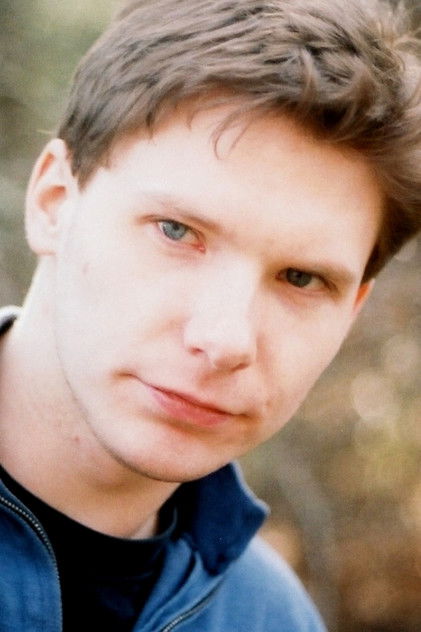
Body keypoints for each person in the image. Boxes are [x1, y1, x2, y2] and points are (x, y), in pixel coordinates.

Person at [1, 0, 420, 630]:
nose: (225, 339)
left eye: (301, 279)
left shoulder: (275, 619)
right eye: (176, 231)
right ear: (54, 202)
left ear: (352, 311)